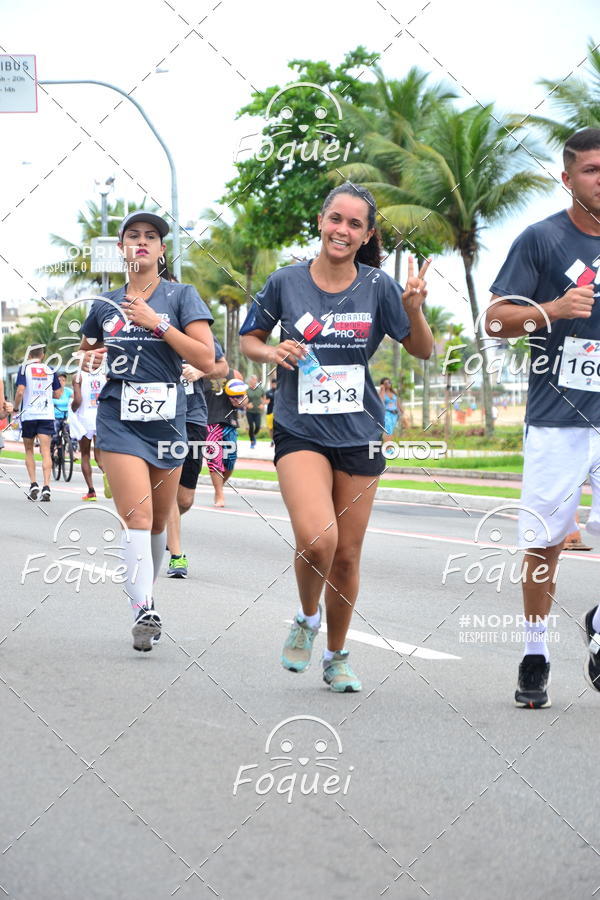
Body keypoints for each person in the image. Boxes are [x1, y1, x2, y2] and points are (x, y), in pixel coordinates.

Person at [240, 183, 432, 692]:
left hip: (360, 431)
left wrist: (413, 308)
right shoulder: (285, 281)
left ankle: (337, 656)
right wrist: (272, 352)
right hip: (300, 427)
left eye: (354, 224)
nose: (342, 230)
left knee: (346, 555)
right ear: (321, 222)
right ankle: (306, 617)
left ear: (367, 234)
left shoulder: (377, 286)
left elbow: (422, 350)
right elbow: (248, 340)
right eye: (335, 219)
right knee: (317, 540)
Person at [486, 127, 600, 707]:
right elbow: (495, 321)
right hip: (557, 418)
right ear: (567, 177)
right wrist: (552, 309)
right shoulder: (541, 240)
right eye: (591, 170)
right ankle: (535, 652)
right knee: (544, 544)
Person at [78, 210, 215, 652]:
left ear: (160, 250)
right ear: (121, 248)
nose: (141, 242)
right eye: (133, 236)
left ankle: (146, 596)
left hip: (168, 420)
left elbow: (207, 358)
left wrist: (158, 323)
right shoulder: (104, 304)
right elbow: (87, 351)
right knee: (136, 517)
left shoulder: (181, 296)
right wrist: (92, 359)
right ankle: (143, 609)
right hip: (118, 419)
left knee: (159, 520)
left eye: (150, 237)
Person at [165, 338, 228, 577]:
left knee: (185, 500)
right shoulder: (151, 328)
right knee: (170, 486)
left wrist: (200, 371)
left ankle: (164, 525)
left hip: (194, 417)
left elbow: (222, 367)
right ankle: (177, 556)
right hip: (165, 417)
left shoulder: (198, 332)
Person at [13, 347, 63, 501]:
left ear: (29, 355)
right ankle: (46, 486)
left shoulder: (24, 369)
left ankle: (33, 483)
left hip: (29, 415)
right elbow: (58, 394)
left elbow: (21, 391)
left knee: (29, 450)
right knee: (46, 451)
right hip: (46, 414)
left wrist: (15, 409)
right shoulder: (50, 369)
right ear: (43, 355)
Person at [202, 367, 246, 507]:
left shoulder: (234, 374)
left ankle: (219, 486)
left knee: (230, 461)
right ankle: (219, 493)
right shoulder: (200, 373)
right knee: (214, 459)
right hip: (208, 422)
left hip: (229, 422)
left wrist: (240, 401)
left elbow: (244, 399)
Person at [69, 369, 110, 501]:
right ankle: (108, 479)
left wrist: (72, 409)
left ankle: (91, 491)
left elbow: (78, 400)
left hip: (85, 419)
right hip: (101, 418)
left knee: (85, 455)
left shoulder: (78, 377)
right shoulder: (104, 375)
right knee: (100, 457)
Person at [245, 373, 265, 448]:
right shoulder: (247, 390)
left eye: (255, 380)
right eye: (252, 380)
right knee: (251, 426)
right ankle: (252, 441)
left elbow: (264, 398)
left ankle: (253, 435)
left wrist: (263, 405)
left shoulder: (260, 389)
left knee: (257, 426)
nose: (254, 381)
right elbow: (243, 400)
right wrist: (247, 405)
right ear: (250, 381)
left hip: (258, 411)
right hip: (249, 411)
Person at [265, 377, 277, 446]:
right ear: (271, 384)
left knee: (276, 427)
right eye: (273, 384)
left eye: (275, 383)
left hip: (277, 413)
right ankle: (272, 440)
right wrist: (265, 402)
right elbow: (265, 401)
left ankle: (276, 439)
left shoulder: (279, 391)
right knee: (270, 428)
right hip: (269, 412)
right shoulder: (268, 392)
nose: (274, 385)